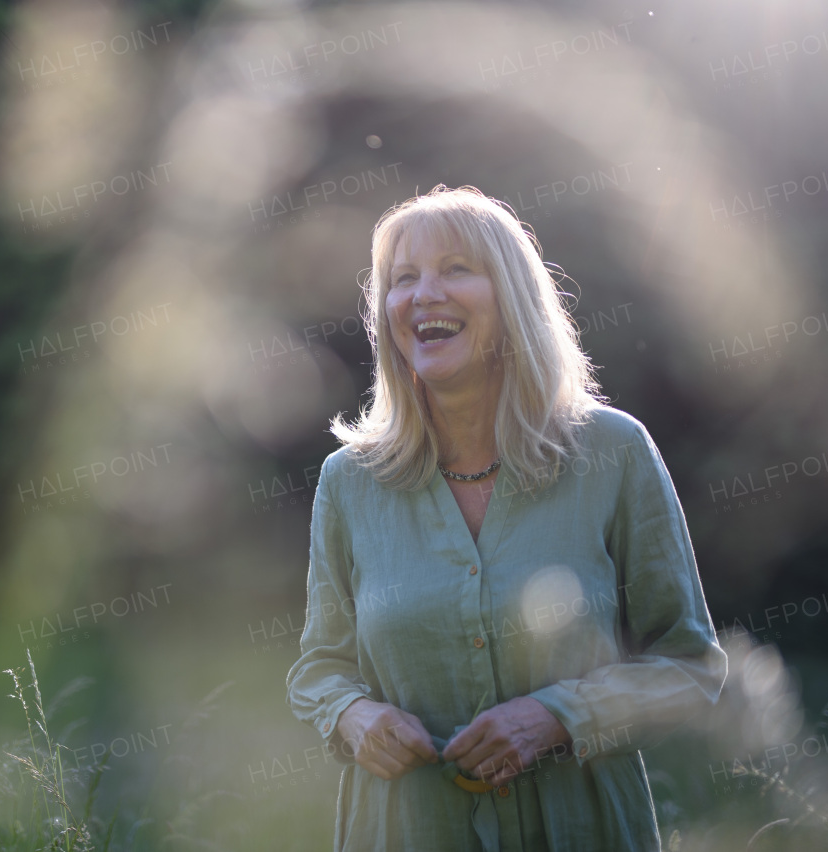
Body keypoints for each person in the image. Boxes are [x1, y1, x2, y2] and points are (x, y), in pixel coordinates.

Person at [285, 185, 727, 851]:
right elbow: (320, 666)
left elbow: (691, 668)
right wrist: (352, 715)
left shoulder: (613, 453)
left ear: (514, 299)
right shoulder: (349, 483)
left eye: (456, 269)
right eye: (404, 279)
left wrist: (558, 716)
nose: (424, 293)